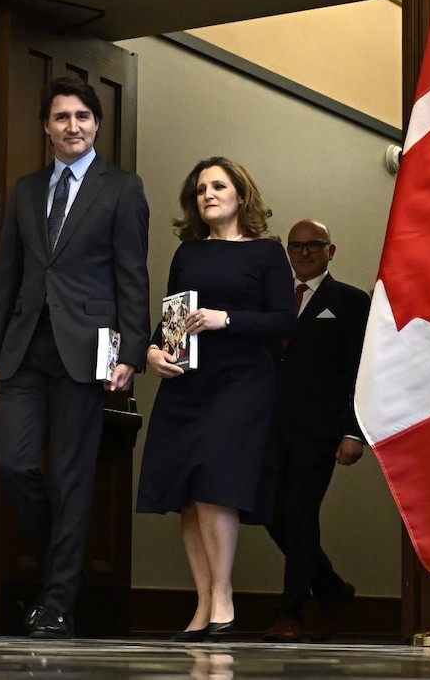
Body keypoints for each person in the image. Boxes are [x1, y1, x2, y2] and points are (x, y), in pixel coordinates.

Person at [0, 76, 150, 639]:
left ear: (96, 124)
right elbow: (6, 279)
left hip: (87, 352)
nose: (72, 126)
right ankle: (60, 571)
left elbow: (132, 276)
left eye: (82, 117)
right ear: (46, 127)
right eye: (61, 117)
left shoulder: (122, 188)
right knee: (14, 463)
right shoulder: (26, 190)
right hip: (24, 351)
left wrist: (129, 349)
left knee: (73, 480)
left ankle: (55, 604)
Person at [136, 157, 294, 641]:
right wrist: (152, 352)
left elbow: (285, 322)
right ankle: (204, 602)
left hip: (242, 381)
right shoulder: (188, 254)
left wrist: (228, 319)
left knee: (214, 481)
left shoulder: (267, 252)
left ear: (241, 196)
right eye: (201, 188)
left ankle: (223, 596)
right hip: (188, 381)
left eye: (218, 186)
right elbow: (172, 321)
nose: (208, 194)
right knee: (187, 493)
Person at [264, 218, 371, 642]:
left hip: (321, 432)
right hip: (270, 430)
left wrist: (353, 432)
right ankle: (330, 588)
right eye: (296, 246)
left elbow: (362, 371)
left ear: (331, 250)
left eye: (315, 244)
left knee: (301, 516)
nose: (305, 252)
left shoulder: (349, 301)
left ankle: (289, 612)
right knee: (273, 515)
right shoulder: (273, 301)